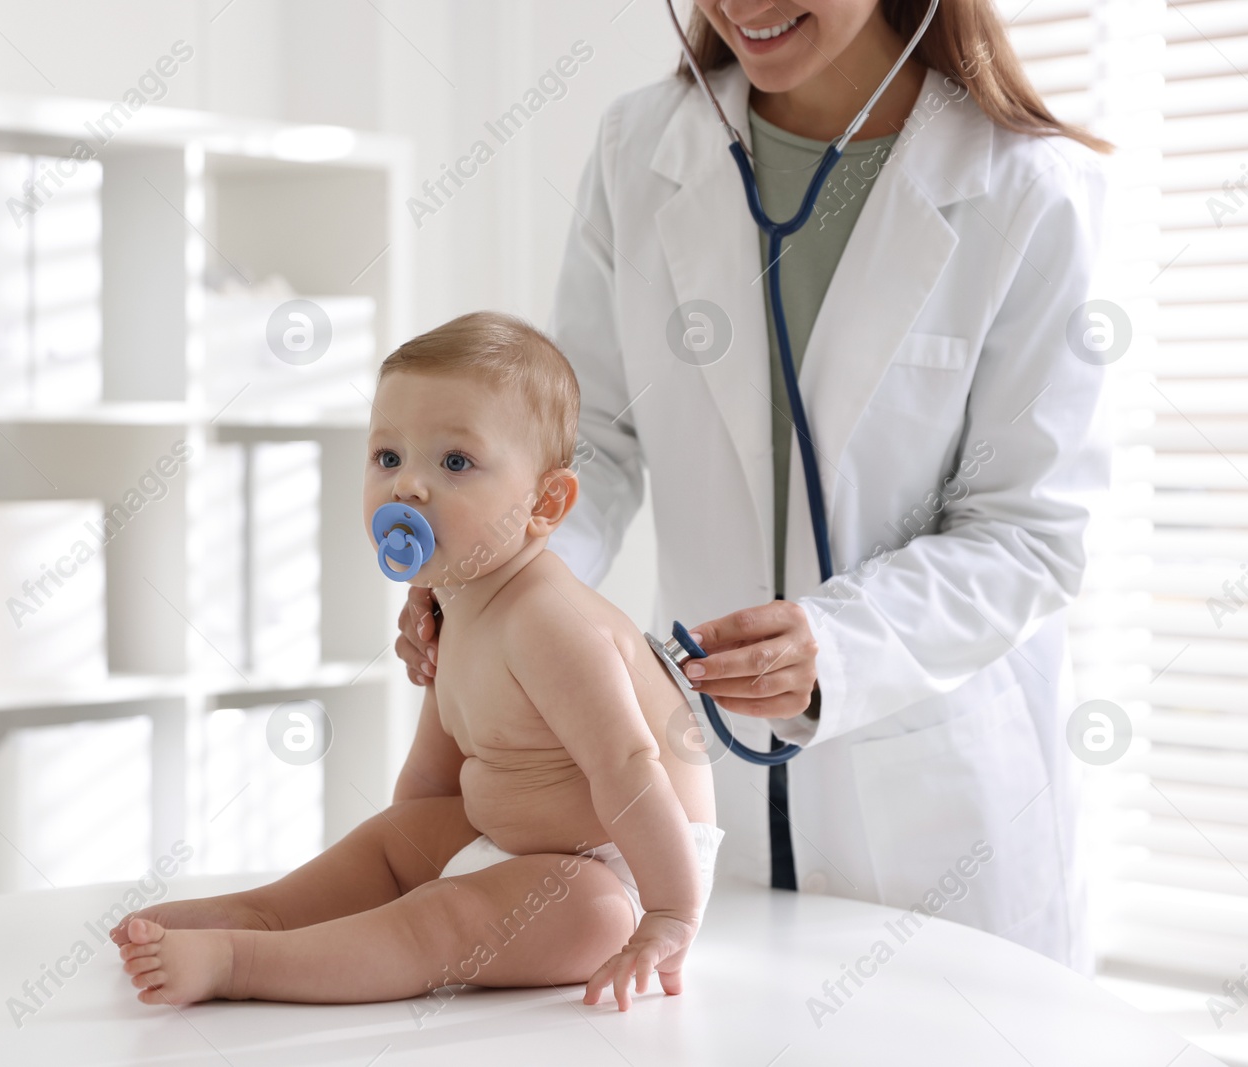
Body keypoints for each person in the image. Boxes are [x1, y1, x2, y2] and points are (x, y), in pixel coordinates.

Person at [397, 0, 1112, 970]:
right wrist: (495, 582)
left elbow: (1027, 529)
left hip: (929, 806)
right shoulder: (640, 148)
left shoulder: (1027, 187)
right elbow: (585, 445)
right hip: (688, 791)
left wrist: (842, 644)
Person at [113, 312, 723, 1011]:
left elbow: (629, 768)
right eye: (388, 457)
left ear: (545, 503)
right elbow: (433, 781)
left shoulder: (548, 621)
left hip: (624, 869)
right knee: (389, 837)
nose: (408, 488)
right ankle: (263, 912)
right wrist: (402, 865)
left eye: (455, 463)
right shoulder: (456, 603)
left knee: (471, 921)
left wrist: (671, 914)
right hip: (513, 845)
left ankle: (241, 959)